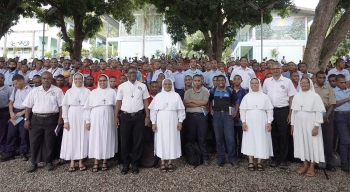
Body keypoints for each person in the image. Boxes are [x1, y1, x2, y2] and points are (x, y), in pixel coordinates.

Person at [22, 71, 64, 172]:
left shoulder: (57, 91)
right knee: (34, 141)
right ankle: (34, 162)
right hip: (36, 118)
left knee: (49, 141)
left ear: (52, 79)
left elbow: (61, 106)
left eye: (48, 78)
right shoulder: (34, 91)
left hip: (52, 118)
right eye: (44, 78)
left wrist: (60, 119)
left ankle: (48, 161)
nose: (46, 80)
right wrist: (26, 119)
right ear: (41, 79)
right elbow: (28, 106)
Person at [115, 67, 150, 175]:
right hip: (125, 116)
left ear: (137, 74)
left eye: (134, 73)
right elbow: (119, 102)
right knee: (125, 140)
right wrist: (115, 116)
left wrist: (147, 116)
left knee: (138, 141)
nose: (133, 74)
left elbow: (145, 102)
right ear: (126, 74)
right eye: (130, 73)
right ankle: (125, 164)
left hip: (139, 116)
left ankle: (135, 163)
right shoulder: (122, 86)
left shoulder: (142, 86)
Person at [263, 63, 296, 169]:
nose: (276, 70)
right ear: (271, 70)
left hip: (283, 110)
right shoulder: (267, 81)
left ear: (281, 70)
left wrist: (290, 113)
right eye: (273, 68)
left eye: (278, 68)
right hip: (270, 111)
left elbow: (291, 98)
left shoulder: (287, 81)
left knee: (284, 135)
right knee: (273, 135)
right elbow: (264, 96)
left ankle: (283, 159)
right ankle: (275, 158)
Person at [291, 78, 325, 177]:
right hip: (299, 123)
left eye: (306, 82)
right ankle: (305, 164)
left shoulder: (315, 96)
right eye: (301, 83)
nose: (303, 84)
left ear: (310, 84)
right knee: (301, 142)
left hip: (311, 122)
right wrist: (292, 125)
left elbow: (319, 111)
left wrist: (316, 126)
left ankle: (312, 166)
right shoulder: (297, 96)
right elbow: (294, 111)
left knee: (313, 143)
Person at [149, 78, 185, 172]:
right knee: (162, 140)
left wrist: (180, 121)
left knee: (172, 140)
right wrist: (153, 123)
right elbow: (153, 111)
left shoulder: (176, 95)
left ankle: (170, 162)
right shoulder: (158, 96)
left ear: (172, 85)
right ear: (163, 85)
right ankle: (162, 162)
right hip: (160, 121)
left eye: (169, 84)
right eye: (165, 84)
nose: (167, 86)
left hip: (173, 120)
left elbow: (180, 110)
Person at [84, 74, 117, 172]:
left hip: (108, 116)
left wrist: (116, 118)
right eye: (101, 81)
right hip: (95, 117)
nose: (102, 82)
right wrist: (87, 121)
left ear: (107, 81)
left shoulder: (112, 92)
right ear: (98, 82)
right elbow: (87, 108)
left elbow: (116, 107)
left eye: (104, 80)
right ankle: (95, 161)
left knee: (107, 137)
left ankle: (105, 161)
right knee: (96, 138)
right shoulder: (93, 92)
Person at [240, 78, 274, 171]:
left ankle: (259, 161)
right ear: (250, 85)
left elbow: (269, 110)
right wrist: (243, 121)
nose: (254, 85)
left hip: (262, 121)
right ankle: (250, 161)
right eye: (252, 83)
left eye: (256, 83)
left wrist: (269, 122)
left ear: (259, 84)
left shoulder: (264, 96)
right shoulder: (246, 97)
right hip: (249, 121)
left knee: (261, 139)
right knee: (250, 139)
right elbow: (242, 110)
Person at [60, 73, 91, 172]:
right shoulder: (69, 91)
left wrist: (88, 120)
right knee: (72, 138)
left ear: (83, 80)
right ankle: (72, 161)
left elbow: (89, 107)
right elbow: (64, 106)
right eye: (76, 79)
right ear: (73, 80)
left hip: (84, 115)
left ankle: (81, 161)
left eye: (80, 79)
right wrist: (65, 120)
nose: (78, 81)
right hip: (72, 115)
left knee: (82, 137)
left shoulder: (87, 91)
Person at [209, 75, 239, 167]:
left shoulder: (230, 90)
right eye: (219, 80)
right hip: (217, 114)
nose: (221, 82)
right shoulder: (213, 91)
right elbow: (210, 101)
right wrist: (211, 109)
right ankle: (221, 159)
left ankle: (232, 159)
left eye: (222, 80)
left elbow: (237, 102)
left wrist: (236, 112)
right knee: (219, 138)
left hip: (228, 114)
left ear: (225, 81)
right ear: (216, 82)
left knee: (230, 138)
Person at [1, 74, 31, 162]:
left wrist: (22, 113)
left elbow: (31, 105)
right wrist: (11, 112)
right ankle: (10, 152)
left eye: (16, 84)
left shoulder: (30, 91)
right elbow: (11, 102)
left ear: (22, 81)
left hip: (24, 113)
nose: (15, 86)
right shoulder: (15, 90)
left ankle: (23, 152)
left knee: (23, 134)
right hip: (15, 113)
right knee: (11, 133)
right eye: (14, 84)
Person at [184, 75, 209, 166]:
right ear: (192, 81)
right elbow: (186, 103)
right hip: (190, 116)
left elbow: (205, 103)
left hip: (201, 116)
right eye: (195, 80)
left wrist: (191, 101)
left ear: (201, 81)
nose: (197, 82)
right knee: (190, 138)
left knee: (202, 138)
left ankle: (205, 157)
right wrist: (199, 104)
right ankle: (191, 156)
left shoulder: (205, 91)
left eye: (199, 80)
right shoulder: (187, 91)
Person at [314, 71, 337, 172]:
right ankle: (316, 161)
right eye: (320, 78)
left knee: (328, 139)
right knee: (315, 138)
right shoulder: (311, 88)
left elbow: (332, 103)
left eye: (324, 78)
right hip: (313, 113)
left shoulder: (329, 89)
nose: (322, 80)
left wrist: (327, 116)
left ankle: (330, 162)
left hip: (327, 113)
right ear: (315, 78)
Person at [333, 74, 350, 172]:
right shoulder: (334, 91)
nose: (343, 84)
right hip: (340, 115)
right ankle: (344, 162)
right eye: (341, 82)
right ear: (336, 82)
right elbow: (334, 104)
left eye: (344, 82)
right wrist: (347, 99)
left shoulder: (348, 90)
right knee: (345, 140)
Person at [0, 73, 12, 156]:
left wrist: (9, 111)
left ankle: (2, 148)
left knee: (3, 131)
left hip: (4, 111)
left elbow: (11, 101)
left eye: (1, 78)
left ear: (4, 79)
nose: (0, 79)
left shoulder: (8, 88)